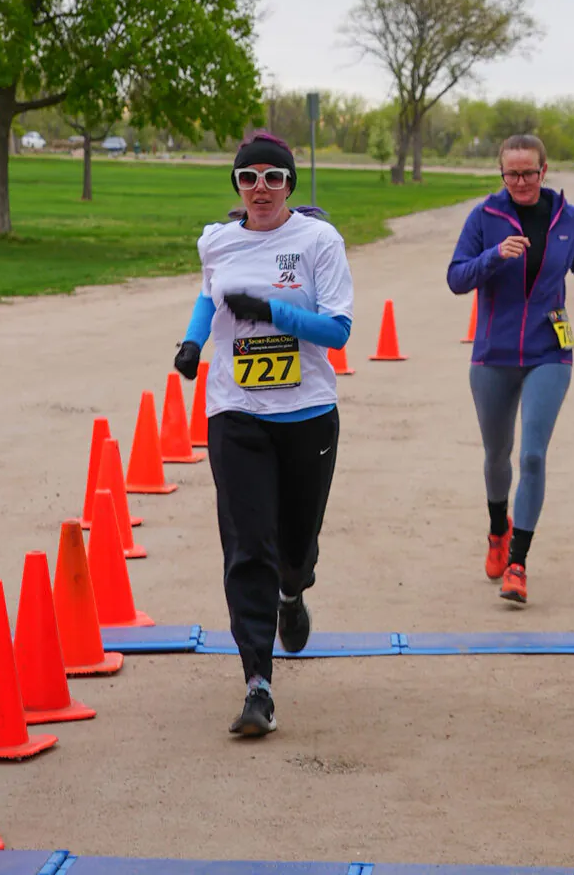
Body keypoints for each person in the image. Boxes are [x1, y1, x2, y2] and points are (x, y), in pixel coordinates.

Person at [173, 131, 354, 737]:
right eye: (248, 177)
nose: (260, 189)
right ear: (236, 186)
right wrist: (194, 343)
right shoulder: (217, 242)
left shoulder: (317, 241)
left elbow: (338, 331)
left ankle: (293, 590)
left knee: (293, 547)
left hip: (307, 414)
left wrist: (273, 311)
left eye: (273, 177)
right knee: (248, 545)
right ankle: (258, 684)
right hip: (236, 412)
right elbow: (210, 297)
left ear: (290, 185)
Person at [447, 134, 574, 605]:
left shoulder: (567, 217)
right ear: (501, 174)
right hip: (493, 354)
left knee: (533, 456)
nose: (520, 181)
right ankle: (499, 530)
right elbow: (457, 277)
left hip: (549, 351)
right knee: (497, 456)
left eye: (529, 173)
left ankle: (518, 563)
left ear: (544, 170)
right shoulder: (484, 218)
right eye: (511, 174)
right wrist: (493, 257)